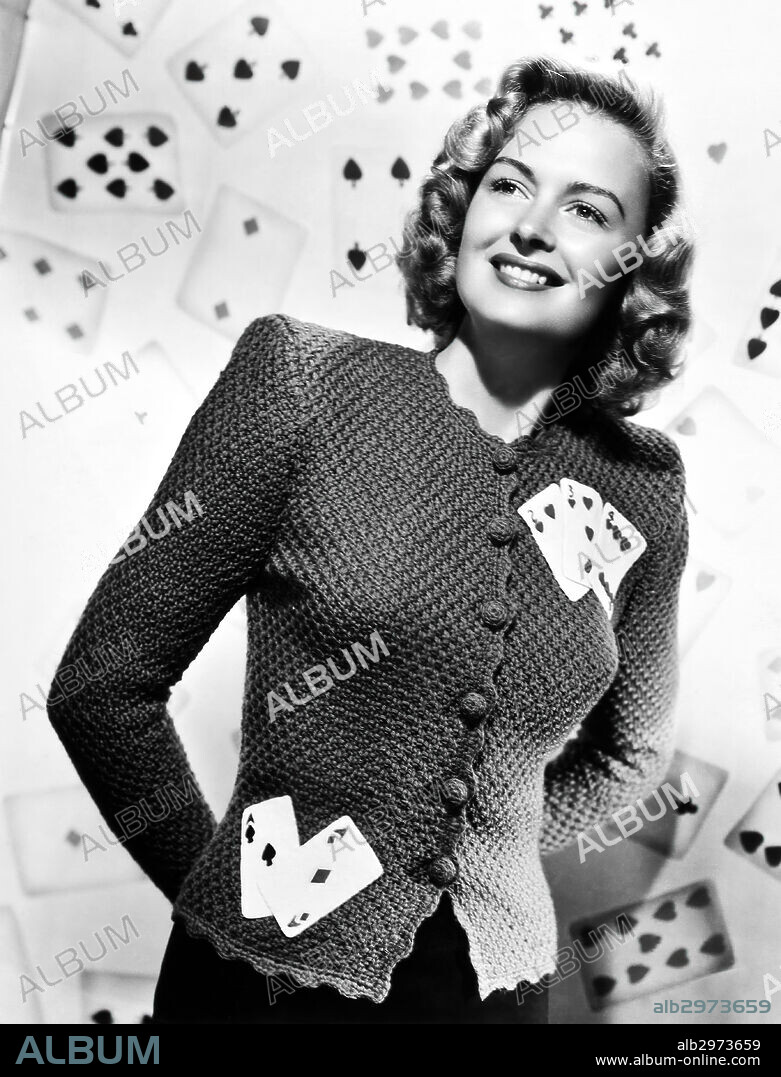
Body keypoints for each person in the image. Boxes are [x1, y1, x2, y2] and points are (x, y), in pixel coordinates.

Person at [47, 56, 692, 1025]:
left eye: (586, 210)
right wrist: (223, 900)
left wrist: (486, 848)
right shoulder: (300, 383)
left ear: (633, 269)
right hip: (258, 990)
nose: (530, 226)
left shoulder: (644, 484)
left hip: (498, 996)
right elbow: (102, 684)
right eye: (508, 184)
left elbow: (628, 753)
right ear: (462, 209)